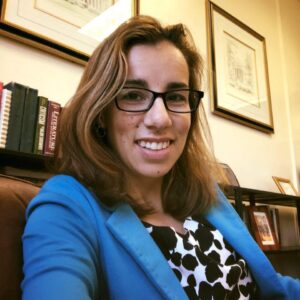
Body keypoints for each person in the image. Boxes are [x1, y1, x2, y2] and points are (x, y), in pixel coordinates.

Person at [22, 15, 299, 300]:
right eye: (133, 95)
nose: (160, 118)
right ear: (100, 111)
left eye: (177, 96)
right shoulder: (67, 203)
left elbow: (270, 285)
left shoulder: (206, 195)